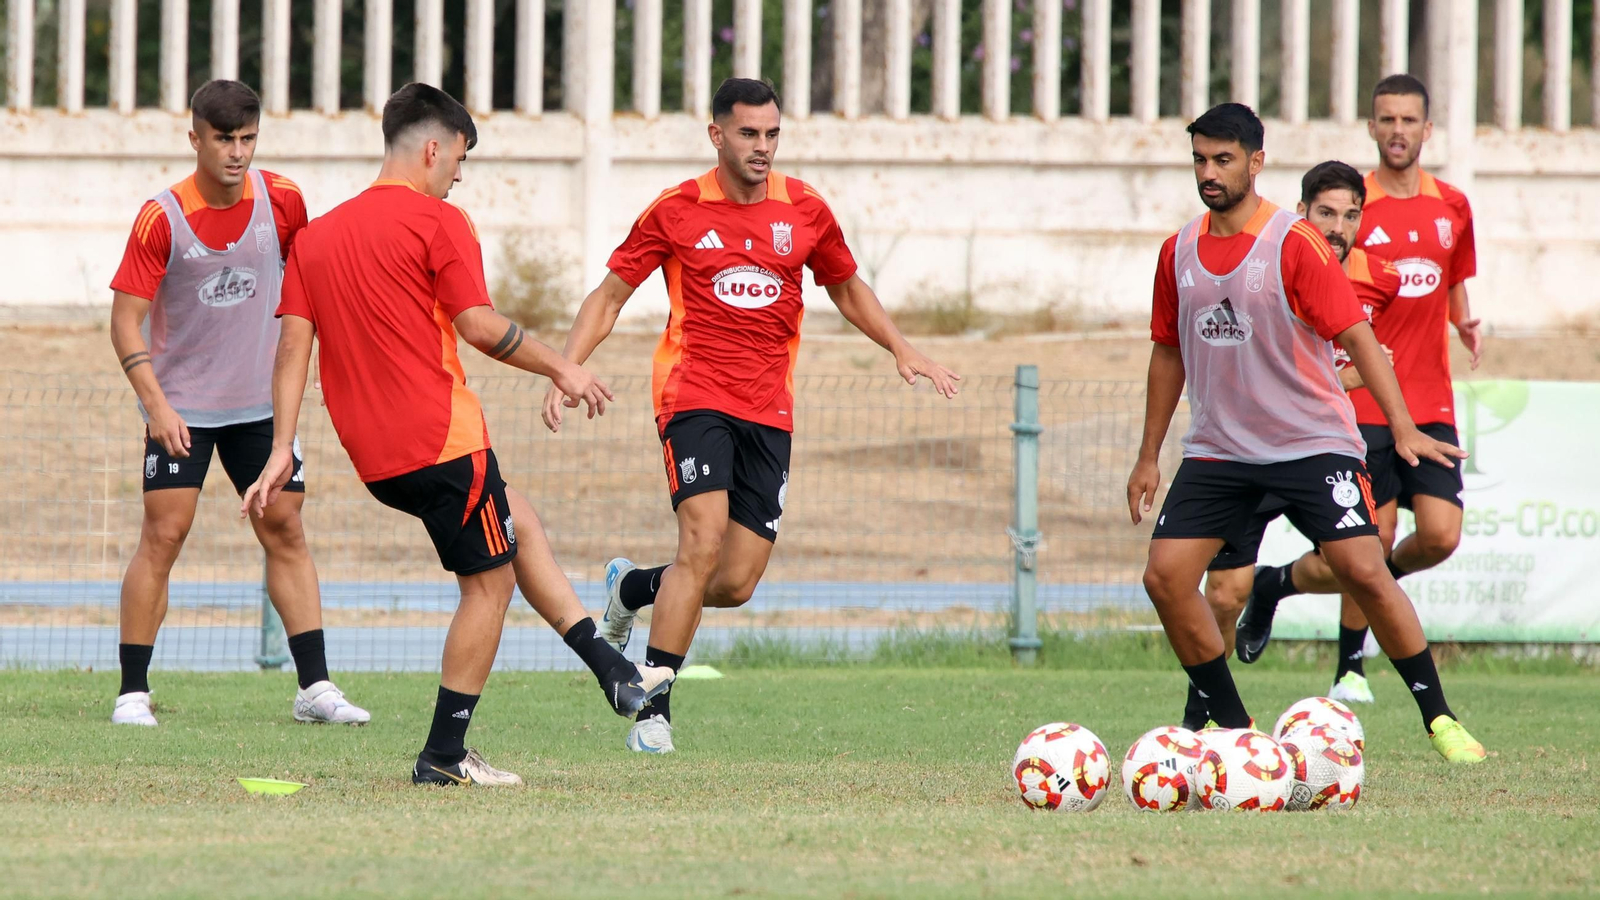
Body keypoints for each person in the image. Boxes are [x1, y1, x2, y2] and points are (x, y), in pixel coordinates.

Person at [241, 83, 672, 786]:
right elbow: (477, 325)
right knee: (487, 588)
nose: (459, 175)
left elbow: (293, 349)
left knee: (518, 522)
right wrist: (563, 366)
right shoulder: (441, 223)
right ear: (433, 149)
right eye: (460, 159)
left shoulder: (316, 237)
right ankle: (443, 756)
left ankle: (616, 673)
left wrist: (282, 445)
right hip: (443, 441)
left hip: (376, 459)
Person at [540, 78, 960, 754]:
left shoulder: (805, 210)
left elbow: (846, 284)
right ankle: (655, 708)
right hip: (694, 396)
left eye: (771, 134)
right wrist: (567, 366)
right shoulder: (677, 209)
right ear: (717, 135)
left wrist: (900, 347)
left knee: (732, 582)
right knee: (700, 543)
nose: (761, 147)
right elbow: (611, 293)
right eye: (747, 134)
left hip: (771, 410)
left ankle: (632, 588)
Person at [1127, 102, 1485, 763]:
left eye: (1223, 160)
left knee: (1365, 570)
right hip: (1219, 452)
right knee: (1165, 577)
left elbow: (1358, 337)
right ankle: (1232, 728)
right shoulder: (1176, 251)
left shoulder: (1294, 244)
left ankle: (1440, 719)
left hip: (1310, 444)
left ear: (1256, 163)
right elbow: (1167, 351)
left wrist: (1402, 426)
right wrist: (1149, 455)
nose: (1209, 172)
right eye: (1200, 159)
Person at [108, 80, 367, 727]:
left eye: (247, 138)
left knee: (286, 530)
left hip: (260, 408)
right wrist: (156, 406)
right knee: (163, 535)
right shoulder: (160, 218)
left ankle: (315, 689)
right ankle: (132, 693)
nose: (237, 152)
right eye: (224, 139)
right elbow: (124, 322)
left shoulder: (282, 201)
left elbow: (307, 292)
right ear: (194, 136)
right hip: (183, 410)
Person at [1233, 75, 1482, 705]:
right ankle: (1351, 669)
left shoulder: (1452, 205)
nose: (1398, 130)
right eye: (1386, 119)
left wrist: (1463, 320)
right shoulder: (1344, 205)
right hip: (1361, 408)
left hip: (1430, 401)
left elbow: (1446, 280)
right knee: (1367, 541)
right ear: (1372, 127)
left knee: (1440, 536)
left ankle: (1278, 584)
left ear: (1428, 130)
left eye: (1409, 120)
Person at [1191, 160, 1400, 728]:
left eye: (1350, 215)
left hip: (1329, 446)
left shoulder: (1382, 279)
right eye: (1326, 213)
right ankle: (1209, 715)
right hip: (1250, 450)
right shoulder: (1276, 258)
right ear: (1302, 213)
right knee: (1223, 595)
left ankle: (1323, 636)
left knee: (1367, 559)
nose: (1337, 227)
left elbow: (1380, 359)